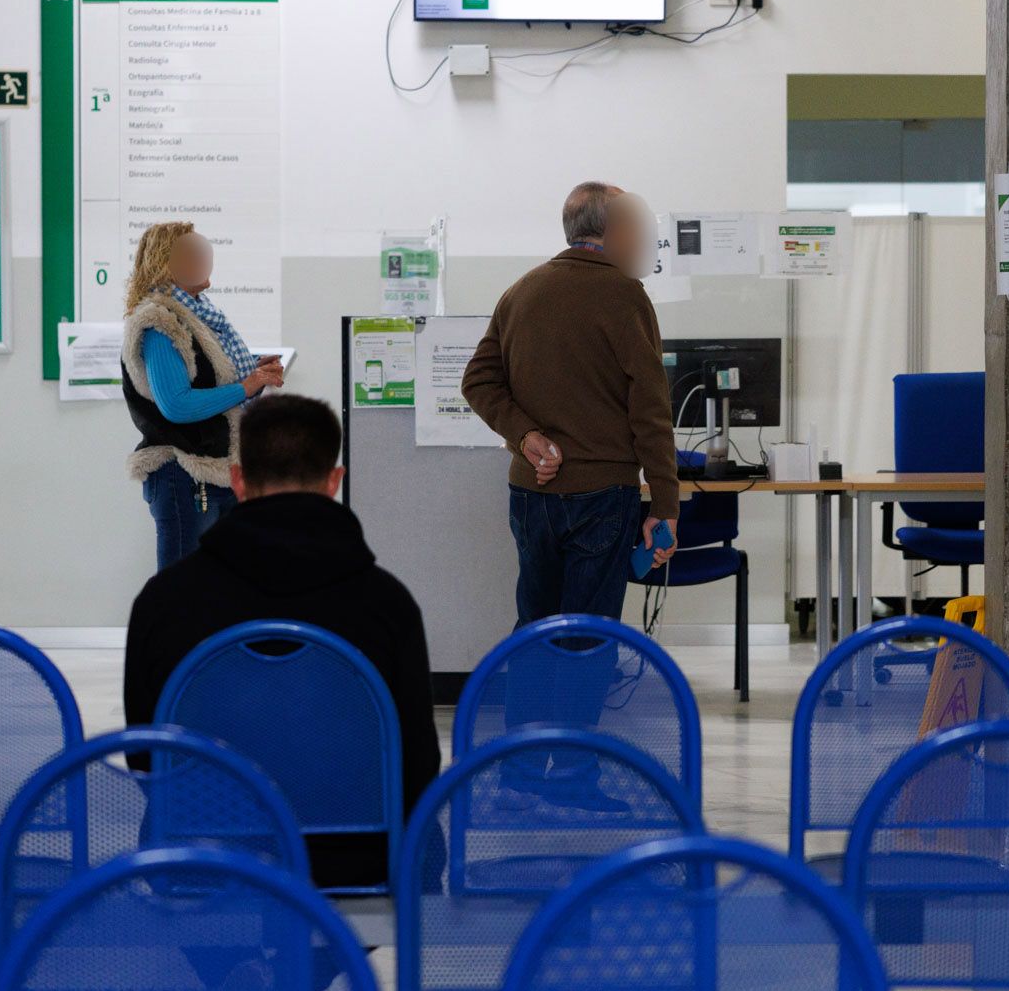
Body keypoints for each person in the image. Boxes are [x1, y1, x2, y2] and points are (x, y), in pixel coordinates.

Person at [121, 393, 440, 889]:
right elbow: (417, 763)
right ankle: (320, 967)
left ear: (239, 480)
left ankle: (227, 971)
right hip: (359, 861)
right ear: (334, 483)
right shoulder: (387, 605)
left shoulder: (164, 601)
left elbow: (145, 758)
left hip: (206, 858)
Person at [463, 180, 681, 624]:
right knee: (588, 635)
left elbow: (478, 381)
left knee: (535, 626)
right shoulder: (625, 295)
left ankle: (529, 697)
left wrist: (525, 437)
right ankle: (577, 698)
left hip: (529, 492)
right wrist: (664, 507)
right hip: (602, 494)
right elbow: (651, 411)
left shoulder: (520, 291)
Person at [119, 222, 284, 570]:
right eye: (191, 254)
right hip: (184, 474)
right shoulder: (159, 322)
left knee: (220, 590)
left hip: (220, 471)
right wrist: (247, 385)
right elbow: (176, 404)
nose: (204, 259)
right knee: (184, 597)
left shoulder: (201, 315)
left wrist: (256, 370)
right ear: (166, 262)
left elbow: (209, 377)